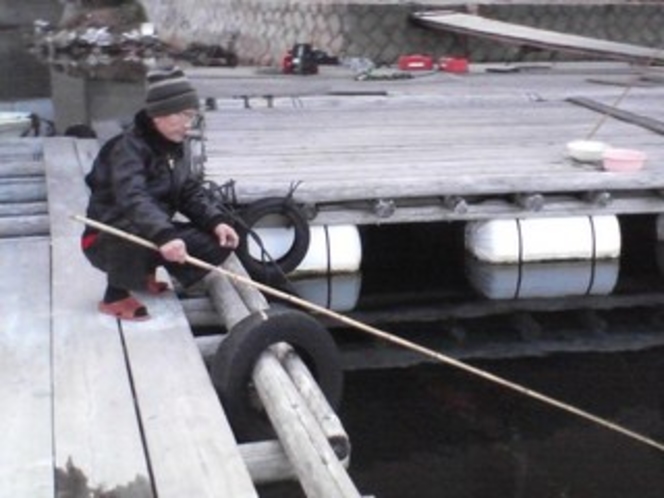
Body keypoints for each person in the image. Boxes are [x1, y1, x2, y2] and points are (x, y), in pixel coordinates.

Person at [81, 66, 239, 321]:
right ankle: (115, 296)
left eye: (192, 117)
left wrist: (216, 220)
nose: (189, 125)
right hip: (106, 237)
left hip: (150, 231)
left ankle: (145, 273)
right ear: (160, 115)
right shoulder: (127, 149)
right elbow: (132, 198)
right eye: (185, 116)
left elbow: (188, 190)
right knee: (133, 229)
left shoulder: (174, 146)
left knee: (217, 243)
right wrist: (165, 235)